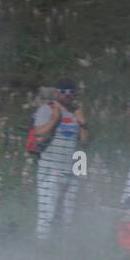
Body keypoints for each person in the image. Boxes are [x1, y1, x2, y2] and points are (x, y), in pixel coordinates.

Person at [31, 76, 89, 240]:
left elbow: (84, 144)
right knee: (47, 214)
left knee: (68, 216)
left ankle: (64, 249)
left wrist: (83, 123)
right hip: (51, 169)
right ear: (56, 93)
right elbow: (39, 133)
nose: (67, 95)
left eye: (71, 92)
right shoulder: (47, 109)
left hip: (72, 170)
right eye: (63, 91)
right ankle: (41, 247)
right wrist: (55, 119)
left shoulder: (75, 113)